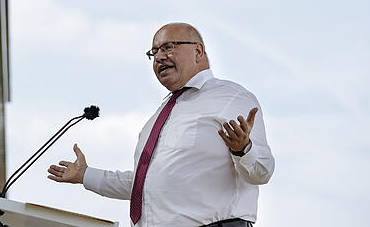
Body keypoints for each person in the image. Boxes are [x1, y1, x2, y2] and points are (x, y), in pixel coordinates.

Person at [47, 23, 274, 227]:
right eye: (153, 52)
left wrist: (242, 149)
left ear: (198, 51)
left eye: (168, 47)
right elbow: (143, 185)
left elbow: (262, 171)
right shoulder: (157, 118)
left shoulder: (230, 97)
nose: (158, 57)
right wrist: (85, 175)